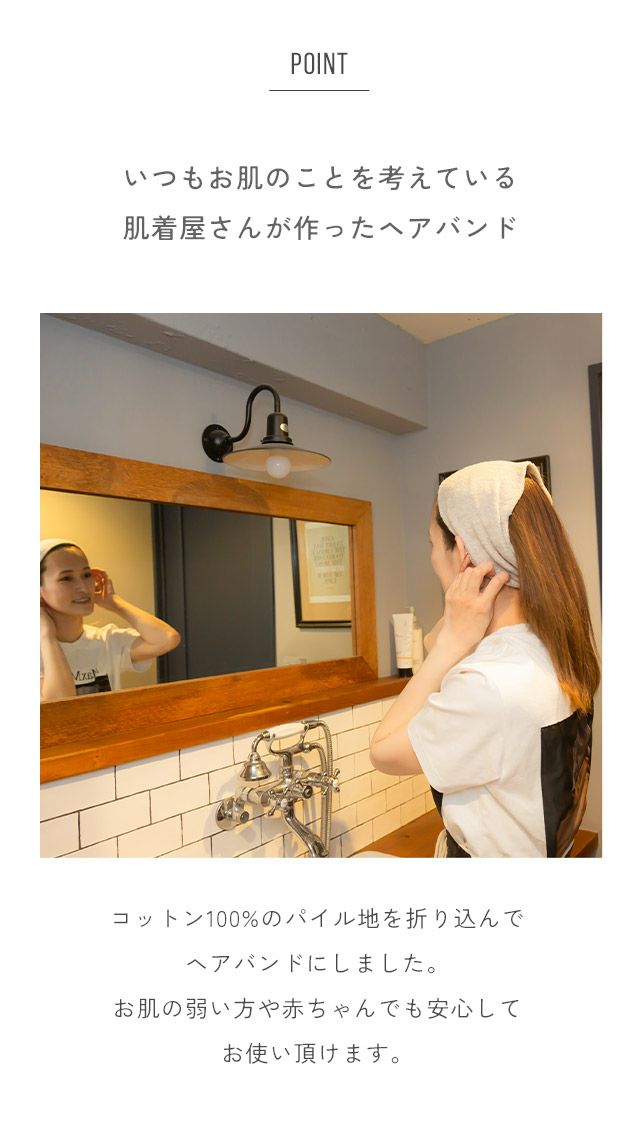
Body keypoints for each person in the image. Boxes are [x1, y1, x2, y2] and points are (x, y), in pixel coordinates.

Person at [370, 461, 600, 858]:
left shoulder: (488, 682)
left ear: (462, 554)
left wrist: (452, 643)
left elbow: (383, 752)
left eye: (432, 544)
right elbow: (436, 641)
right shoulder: (549, 648)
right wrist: (455, 631)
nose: (431, 557)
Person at [40, 538, 181, 700]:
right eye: (66, 578)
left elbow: (167, 639)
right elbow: (59, 704)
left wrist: (114, 602)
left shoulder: (107, 640)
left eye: (86, 575)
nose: (83, 587)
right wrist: (47, 637)